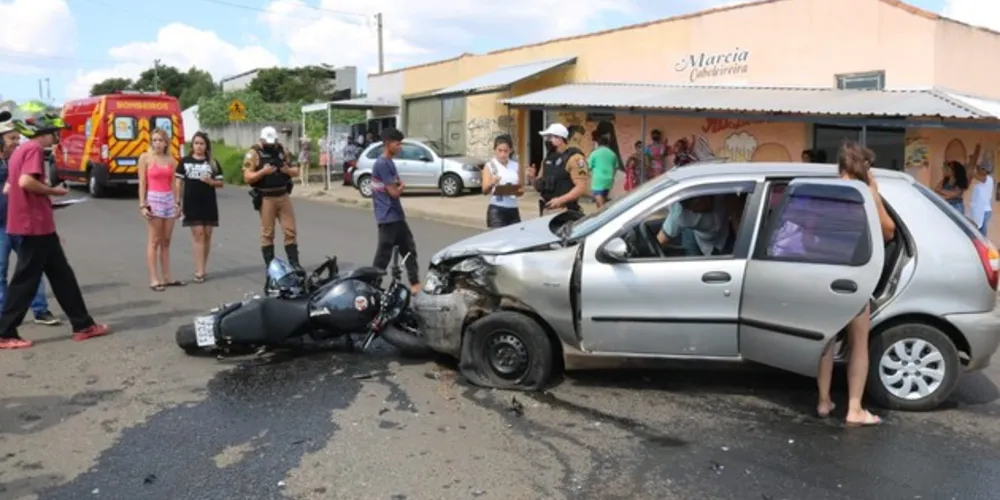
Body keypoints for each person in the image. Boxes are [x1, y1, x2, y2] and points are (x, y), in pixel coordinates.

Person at [0, 112, 110, 349]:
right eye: (54, 133)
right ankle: (5, 332)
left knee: (62, 276)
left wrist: (40, 200)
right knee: (25, 280)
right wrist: (55, 192)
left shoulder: (19, 151)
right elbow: (25, 182)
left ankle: (83, 324)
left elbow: (10, 188)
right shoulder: (34, 150)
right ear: (44, 132)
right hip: (33, 225)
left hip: (38, 224)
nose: (56, 137)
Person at [816, 140, 895, 427]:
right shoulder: (865, 193)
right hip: (854, 279)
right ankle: (854, 409)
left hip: (825, 276)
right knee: (859, 344)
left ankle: (824, 402)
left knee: (825, 343)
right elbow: (888, 231)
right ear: (865, 167)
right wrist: (874, 192)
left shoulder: (826, 192)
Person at [0, 112, 59, 326]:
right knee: (3, 270)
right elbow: (24, 184)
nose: (16, 142)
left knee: (33, 268)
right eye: (11, 139)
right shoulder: (24, 154)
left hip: (20, 222)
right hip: (2, 225)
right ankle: (4, 317)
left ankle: (40, 310)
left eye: (17, 138)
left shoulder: (19, 157)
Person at [370, 128, 421, 294]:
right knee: (383, 256)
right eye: (397, 144)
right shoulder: (382, 164)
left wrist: (398, 185)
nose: (400, 147)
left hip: (396, 216)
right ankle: (372, 287)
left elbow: (393, 185)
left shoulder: (389, 162)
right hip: (387, 217)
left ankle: (415, 284)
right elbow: (393, 192)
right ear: (388, 144)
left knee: (409, 250)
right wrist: (402, 187)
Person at [243, 126, 301, 271]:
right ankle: (270, 266)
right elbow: (247, 177)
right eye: (268, 142)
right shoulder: (254, 154)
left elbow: (296, 171)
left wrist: (287, 171)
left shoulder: (283, 151)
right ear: (261, 140)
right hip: (266, 197)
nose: (271, 145)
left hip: (283, 195)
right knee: (267, 233)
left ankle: (294, 264)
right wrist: (263, 172)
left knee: (290, 230)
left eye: (273, 142)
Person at [138, 128, 183, 291]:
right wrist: (142, 204)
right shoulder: (145, 158)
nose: (157, 143)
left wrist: (178, 203)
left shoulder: (171, 160)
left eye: (160, 140)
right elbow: (142, 183)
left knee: (166, 240)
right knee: (154, 240)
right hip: (154, 198)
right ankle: (154, 278)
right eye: (154, 140)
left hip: (168, 199)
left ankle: (167, 276)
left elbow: (174, 183)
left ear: (166, 143)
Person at [176, 131, 223, 283]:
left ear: (206, 146)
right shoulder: (184, 162)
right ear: (192, 145)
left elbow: (221, 183)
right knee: (198, 234)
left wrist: (211, 182)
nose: (198, 146)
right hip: (191, 202)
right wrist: (178, 202)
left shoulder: (212, 163)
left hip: (208, 202)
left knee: (207, 234)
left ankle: (203, 266)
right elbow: (179, 183)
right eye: (196, 143)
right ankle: (199, 270)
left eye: (202, 143)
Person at [527, 123, 590, 216]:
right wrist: (532, 178)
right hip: (547, 211)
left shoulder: (575, 158)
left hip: (566, 212)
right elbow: (540, 187)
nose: (546, 141)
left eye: (549, 138)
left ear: (559, 139)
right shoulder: (547, 160)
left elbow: (581, 187)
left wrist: (561, 200)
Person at [482, 134, 523, 228]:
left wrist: (515, 191)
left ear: (510, 150)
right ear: (495, 150)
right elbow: (484, 190)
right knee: (499, 240)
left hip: (513, 209)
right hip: (497, 210)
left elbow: (521, 189)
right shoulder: (490, 166)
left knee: (515, 240)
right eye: (499, 151)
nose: (502, 154)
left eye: (506, 151)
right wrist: (492, 183)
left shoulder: (515, 166)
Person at [588, 132, 617, 208]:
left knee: (598, 198)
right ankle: (601, 212)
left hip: (598, 179)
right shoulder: (612, 154)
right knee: (603, 197)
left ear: (597, 143)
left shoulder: (594, 153)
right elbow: (615, 167)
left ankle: (603, 213)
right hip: (609, 179)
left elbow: (588, 166)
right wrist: (612, 177)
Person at [970, 162, 995, 237]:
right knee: (977, 232)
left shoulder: (988, 179)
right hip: (978, 210)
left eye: (981, 169)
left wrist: (971, 169)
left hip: (984, 211)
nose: (979, 171)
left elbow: (975, 175)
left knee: (982, 235)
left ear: (985, 170)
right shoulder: (980, 182)